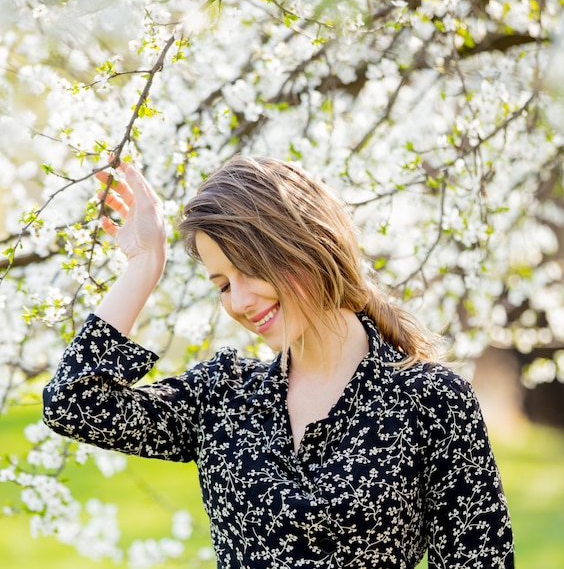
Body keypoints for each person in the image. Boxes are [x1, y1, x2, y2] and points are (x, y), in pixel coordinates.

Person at [43, 156, 514, 568]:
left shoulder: (430, 401)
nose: (241, 300)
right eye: (223, 284)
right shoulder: (223, 396)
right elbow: (73, 403)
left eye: (249, 269)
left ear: (305, 244)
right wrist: (144, 264)